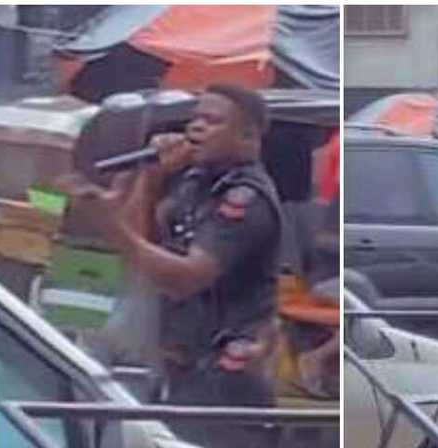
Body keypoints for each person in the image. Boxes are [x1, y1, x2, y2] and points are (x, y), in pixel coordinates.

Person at [65, 84, 284, 413]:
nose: (196, 128)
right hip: (179, 364)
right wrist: (151, 180)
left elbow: (187, 278)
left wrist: (109, 227)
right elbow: (141, 249)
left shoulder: (244, 197)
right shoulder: (194, 181)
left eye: (212, 121)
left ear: (248, 137)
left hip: (224, 373)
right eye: (195, 119)